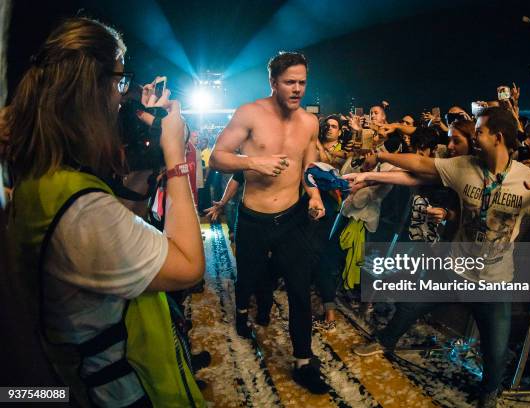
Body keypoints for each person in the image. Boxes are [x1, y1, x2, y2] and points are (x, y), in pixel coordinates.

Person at [346, 107, 530, 408]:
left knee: (495, 357)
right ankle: (384, 341)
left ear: (497, 137)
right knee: (410, 305)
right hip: (456, 270)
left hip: (494, 285)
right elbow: (421, 163)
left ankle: (489, 395)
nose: (476, 136)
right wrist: (380, 158)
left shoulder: (528, 179)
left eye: (481, 131)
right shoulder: (464, 166)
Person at [5, 18, 205, 407]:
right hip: (117, 391)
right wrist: (175, 157)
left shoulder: (44, 178)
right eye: (118, 81)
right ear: (90, 91)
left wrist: (149, 156)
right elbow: (189, 265)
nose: (120, 97)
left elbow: (125, 226)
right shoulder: (81, 210)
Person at [209, 51, 329, 394]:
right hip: (253, 217)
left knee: (299, 289)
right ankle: (242, 308)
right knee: (248, 276)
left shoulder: (309, 122)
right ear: (273, 83)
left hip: (292, 219)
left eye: (302, 82)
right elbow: (218, 157)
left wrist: (316, 196)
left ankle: (304, 361)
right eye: (290, 82)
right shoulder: (249, 113)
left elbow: (309, 169)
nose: (297, 89)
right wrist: (254, 163)